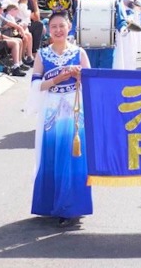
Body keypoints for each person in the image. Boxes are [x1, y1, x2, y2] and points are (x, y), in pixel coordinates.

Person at [29, 12, 93, 226]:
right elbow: (36, 86)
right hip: (52, 109)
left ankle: (71, 207)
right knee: (53, 153)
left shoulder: (79, 52)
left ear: (69, 27)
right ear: (48, 29)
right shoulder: (42, 55)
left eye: (61, 26)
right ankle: (51, 203)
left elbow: (92, 81)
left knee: (72, 156)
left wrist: (78, 74)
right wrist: (58, 78)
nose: (58, 30)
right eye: (54, 26)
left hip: (75, 109)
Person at [77, 0, 127, 70]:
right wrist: (71, 34)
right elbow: (77, 20)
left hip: (107, 45)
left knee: (105, 72)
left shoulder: (113, 0)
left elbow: (120, 19)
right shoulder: (84, 1)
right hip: (88, 45)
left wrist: (123, 28)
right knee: (89, 71)